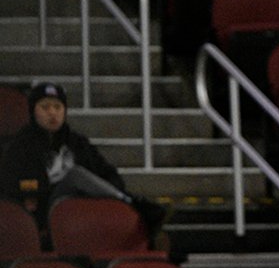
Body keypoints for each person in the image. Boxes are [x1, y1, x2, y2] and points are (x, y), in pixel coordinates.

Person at [0, 81, 165, 242]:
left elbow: (109, 174)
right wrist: (37, 191)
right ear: (33, 111)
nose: (52, 113)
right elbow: (11, 185)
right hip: (46, 211)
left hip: (82, 212)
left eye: (57, 107)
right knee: (75, 175)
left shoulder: (77, 143)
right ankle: (133, 202)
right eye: (45, 107)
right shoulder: (20, 146)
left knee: (81, 179)